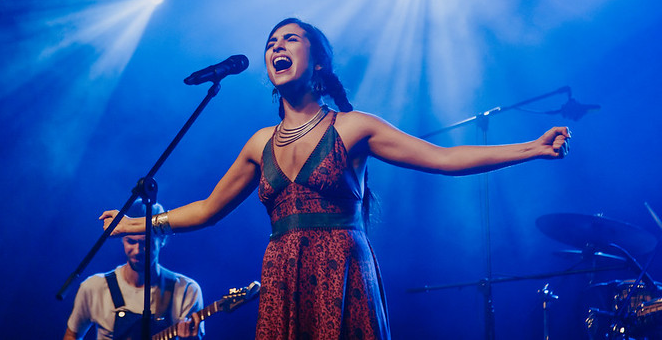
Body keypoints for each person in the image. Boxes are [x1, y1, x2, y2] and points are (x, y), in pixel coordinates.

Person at [100, 18, 572, 340]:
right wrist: (134, 224)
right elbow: (206, 210)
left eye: (289, 40)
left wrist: (530, 148)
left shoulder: (352, 127)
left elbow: (442, 157)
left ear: (319, 62)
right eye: (271, 43)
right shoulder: (258, 142)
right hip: (282, 273)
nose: (276, 47)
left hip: (341, 268)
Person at [65, 200, 204, 340]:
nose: (138, 250)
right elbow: (71, 336)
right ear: (122, 239)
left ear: (162, 240)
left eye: (145, 243)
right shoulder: (94, 287)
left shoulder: (187, 290)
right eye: (131, 241)